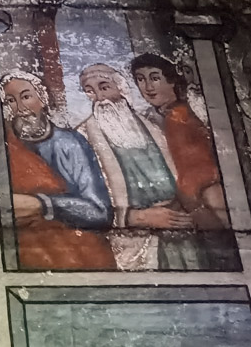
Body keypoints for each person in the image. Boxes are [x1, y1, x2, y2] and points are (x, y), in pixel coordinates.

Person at [76, 63, 204, 270]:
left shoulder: (153, 126)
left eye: (104, 87)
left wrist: (188, 212)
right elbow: (82, 202)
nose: (99, 98)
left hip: (179, 227)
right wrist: (138, 217)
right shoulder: (82, 138)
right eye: (90, 91)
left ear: (121, 88)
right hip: (131, 240)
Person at [0, 72, 114, 270]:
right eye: (10, 100)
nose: (20, 108)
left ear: (42, 99)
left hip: (80, 255)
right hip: (28, 257)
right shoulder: (4, 147)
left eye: (26, 97)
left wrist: (42, 205)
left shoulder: (69, 143)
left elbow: (100, 211)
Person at [130, 53, 228, 228]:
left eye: (155, 78)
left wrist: (195, 208)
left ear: (172, 81)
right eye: (140, 79)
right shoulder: (148, 119)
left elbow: (193, 168)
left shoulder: (179, 116)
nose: (148, 87)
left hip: (202, 196)